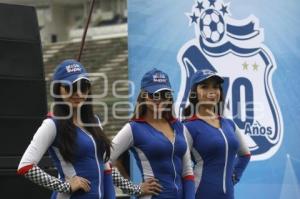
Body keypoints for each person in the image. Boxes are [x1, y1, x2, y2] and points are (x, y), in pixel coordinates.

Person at [17, 59, 115, 199]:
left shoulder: (95, 122)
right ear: (58, 90)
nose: (78, 93)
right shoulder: (52, 125)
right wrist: (65, 186)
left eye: (83, 86)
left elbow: (106, 169)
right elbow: (25, 167)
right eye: (71, 87)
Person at [110, 68, 195, 199]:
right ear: (143, 95)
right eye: (153, 94)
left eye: (164, 94)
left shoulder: (179, 126)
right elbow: (102, 160)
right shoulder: (133, 128)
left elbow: (187, 172)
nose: (159, 99)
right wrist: (133, 189)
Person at [183, 69, 251, 199]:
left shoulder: (229, 124)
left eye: (215, 87)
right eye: (204, 87)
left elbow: (245, 155)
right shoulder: (188, 127)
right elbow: (182, 169)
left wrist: (235, 176)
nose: (212, 91)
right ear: (194, 93)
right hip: (200, 194)